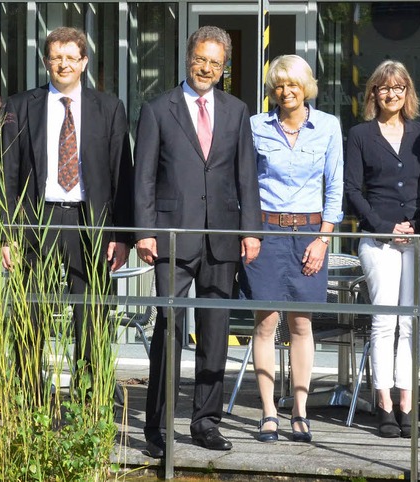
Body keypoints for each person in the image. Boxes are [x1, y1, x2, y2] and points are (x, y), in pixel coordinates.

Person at [134, 26, 262, 457]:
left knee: (215, 333)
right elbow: (144, 177)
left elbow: (246, 175)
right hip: (172, 236)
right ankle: (158, 428)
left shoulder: (237, 110)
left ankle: (206, 422)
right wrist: (145, 230)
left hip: (222, 237)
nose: (206, 68)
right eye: (200, 60)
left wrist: (250, 230)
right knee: (168, 332)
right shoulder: (157, 109)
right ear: (187, 59)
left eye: (215, 62)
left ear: (224, 68)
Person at [1, 26, 133, 391]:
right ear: (46, 62)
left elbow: (122, 174)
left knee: (91, 314)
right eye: (56, 57)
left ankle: (88, 396)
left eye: (71, 58)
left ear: (84, 62)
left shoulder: (109, 108)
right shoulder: (19, 106)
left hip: (89, 224)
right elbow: (8, 173)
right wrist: (7, 235)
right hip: (35, 222)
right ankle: (29, 397)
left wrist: (122, 235)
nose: (63, 64)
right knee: (31, 311)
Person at [242, 54, 343, 443]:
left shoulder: (328, 127)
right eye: (279, 85)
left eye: (293, 85)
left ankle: (299, 411)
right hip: (265, 231)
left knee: (302, 324)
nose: (286, 92)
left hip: (309, 233)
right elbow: (245, 184)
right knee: (265, 323)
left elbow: (335, 186)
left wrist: (324, 238)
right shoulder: (255, 126)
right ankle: (268, 412)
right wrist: (249, 233)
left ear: (306, 88)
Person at [344, 60, 420, 438]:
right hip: (378, 240)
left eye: (398, 87)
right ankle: (383, 403)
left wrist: (414, 226)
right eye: (384, 88)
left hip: (417, 239)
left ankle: (406, 404)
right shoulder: (360, 134)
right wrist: (384, 227)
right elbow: (352, 190)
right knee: (384, 322)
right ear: (373, 94)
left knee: (410, 321)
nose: (391, 93)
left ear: (407, 92)